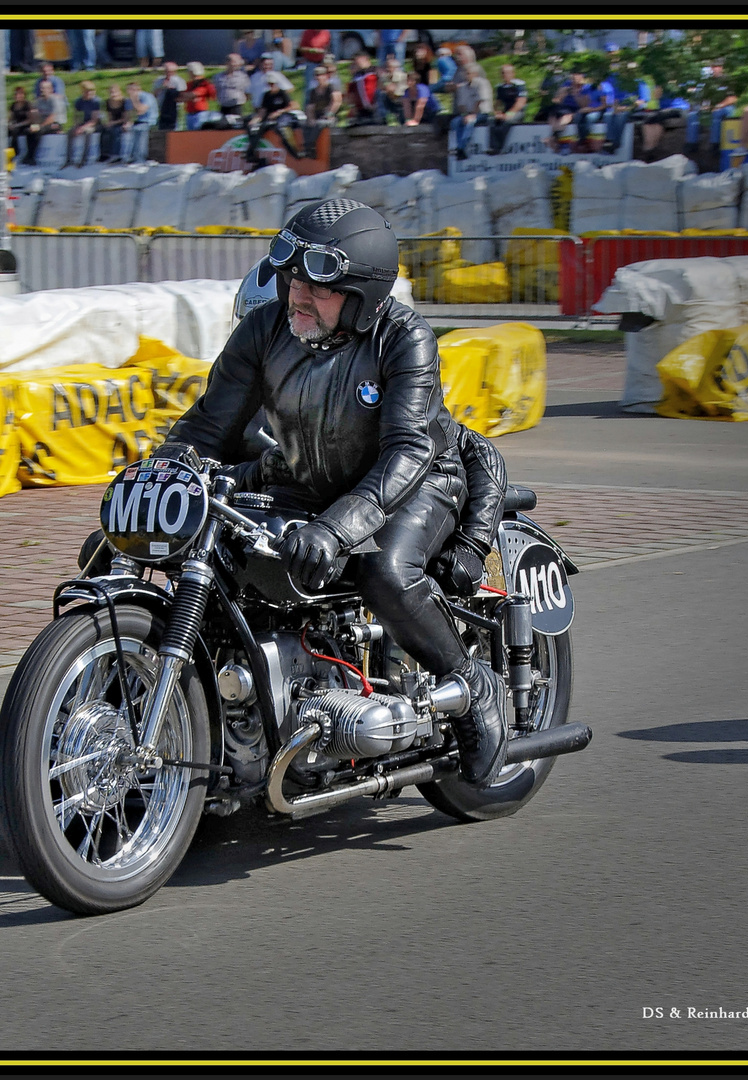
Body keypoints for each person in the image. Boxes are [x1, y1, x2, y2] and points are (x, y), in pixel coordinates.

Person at [160, 199, 510, 787]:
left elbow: (408, 451)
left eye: (316, 288)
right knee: (212, 555)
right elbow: (205, 430)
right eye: (292, 278)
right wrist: (159, 480)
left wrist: (336, 528)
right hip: (307, 483)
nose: (296, 294)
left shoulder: (404, 339)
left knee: (385, 574)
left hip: (414, 485)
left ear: (363, 297)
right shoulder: (264, 328)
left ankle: (474, 687)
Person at [247, 71, 304, 164]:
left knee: (282, 127)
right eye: (269, 84)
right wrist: (256, 120)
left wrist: (279, 112)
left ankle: (295, 151)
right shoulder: (266, 95)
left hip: (283, 116)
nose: (271, 86)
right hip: (270, 118)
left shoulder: (282, 94)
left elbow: (293, 106)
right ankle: (251, 154)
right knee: (255, 129)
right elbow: (263, 111)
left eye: (273, 84)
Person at [685, 61, 738, 154]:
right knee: (693, 115)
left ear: (721, 68)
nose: (715, 69)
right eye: (713, 67)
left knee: (716, 114)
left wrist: (719, 106)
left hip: (726, 107)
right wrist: (702, 106)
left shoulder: (728, 80)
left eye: (717, 66)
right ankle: (691, 144)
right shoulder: (708, 82)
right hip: (712, 107)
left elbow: (733, 98)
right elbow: (703, 98)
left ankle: (715, 144)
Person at [449, 62, 491, 159]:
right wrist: (464, 115)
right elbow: (461, 105)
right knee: (455, 123)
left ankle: (461, 147)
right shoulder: (462, 87)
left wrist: (472, 115)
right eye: (465, 73)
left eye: (468, 73)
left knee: (470, 123)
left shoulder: (482, 83)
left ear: (475, 74)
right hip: (467, 113)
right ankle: (459, 146)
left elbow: (479, 101)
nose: (466, 75)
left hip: (481, 113)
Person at [488, 64, 528, 154]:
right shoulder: (500, 87)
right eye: (503, 73)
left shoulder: (519, 85)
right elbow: (497, 103)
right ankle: (493, 147)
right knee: (491, 120)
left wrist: (509, 114)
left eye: (507, 73)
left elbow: (521, 102)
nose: (505, 75)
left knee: (507, 121)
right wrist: (496, 113)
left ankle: (501, 147)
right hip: (505, 111)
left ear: (513, 74)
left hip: (517, 112)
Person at [68, 81, 102, 166]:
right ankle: (69, 158)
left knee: (87, 132)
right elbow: (76, 116)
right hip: (84, 122)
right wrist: (76, 126)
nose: (89, 93)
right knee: (70, 132)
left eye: (91, 91)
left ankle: (84, 158)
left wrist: (82, 128)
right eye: (87, 91)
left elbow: (94, 120)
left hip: (95, 124)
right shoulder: (79, 101)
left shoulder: (96, 101)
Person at [296, 28, 332, 105]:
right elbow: (301, 48)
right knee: (309, 87)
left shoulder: (326, 33)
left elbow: (328, 47)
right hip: (311, 62)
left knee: (325, 85)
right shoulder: (307, 32)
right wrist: (312, 50)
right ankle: (307, 107)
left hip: (322, 62)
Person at [344, 54, 381, 126]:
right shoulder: (357, 76)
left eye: (358, 60)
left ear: (365, 58)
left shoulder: (376, 71)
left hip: (375, 108)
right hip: (361, 110)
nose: (356, 63)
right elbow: (351, 94)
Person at [126, 79, 157, 162]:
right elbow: (129, 115)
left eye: (132, 90)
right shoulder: (129, 100)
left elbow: (141, 110)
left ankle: (140, 157)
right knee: (126, 130)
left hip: (149, 121)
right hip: (137, 122)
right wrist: (127, 123)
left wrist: (134, 100)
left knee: (139, 129)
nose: (130, 92)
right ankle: (128, 156)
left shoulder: (147, 97)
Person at [152, 60, 187, 131]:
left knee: (176, 128)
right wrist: (162, 87)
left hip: (175, 109)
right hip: (162, 107)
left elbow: (182, 95)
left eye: (170, 71)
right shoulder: (158, 80)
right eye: (166, 71)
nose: (168, 73)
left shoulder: (179, 81)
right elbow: (153, 95)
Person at [215, 53, 251, 121]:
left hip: (236, 107)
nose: (236, 64)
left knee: (236, 126)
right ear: (227, 62)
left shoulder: (242, 76)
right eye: (233, 62)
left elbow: (248, 91)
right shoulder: (218, 76)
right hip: (223, 106)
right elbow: (217, 89)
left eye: (237, 62)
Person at [183, 61, 218, 130]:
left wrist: (188, 96)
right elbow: (182, 96)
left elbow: (194, 94)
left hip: (200, 113)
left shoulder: (204, 83)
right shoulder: (189, 84)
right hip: (190, 113)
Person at [101, 83, 129, 161]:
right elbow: (109, 116)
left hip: (122, 122)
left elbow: (125, 118)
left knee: (116, 131)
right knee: (104, 131)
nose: (113, 94)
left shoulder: (124, 101)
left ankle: (115, 155)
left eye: (115, 92)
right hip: (113, 122)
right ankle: (104, 154)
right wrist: (109, 123)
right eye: (111, 92)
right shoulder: (108, 102)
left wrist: (113, 123)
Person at [379, 57, 408, 125]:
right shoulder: (385, 76)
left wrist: (386, 89)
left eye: (389, 67)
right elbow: (380, 88)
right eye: (386, 67)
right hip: (390, 100)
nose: (387, 69)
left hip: (401, 102)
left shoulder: (401, 76)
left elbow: (394, 91)